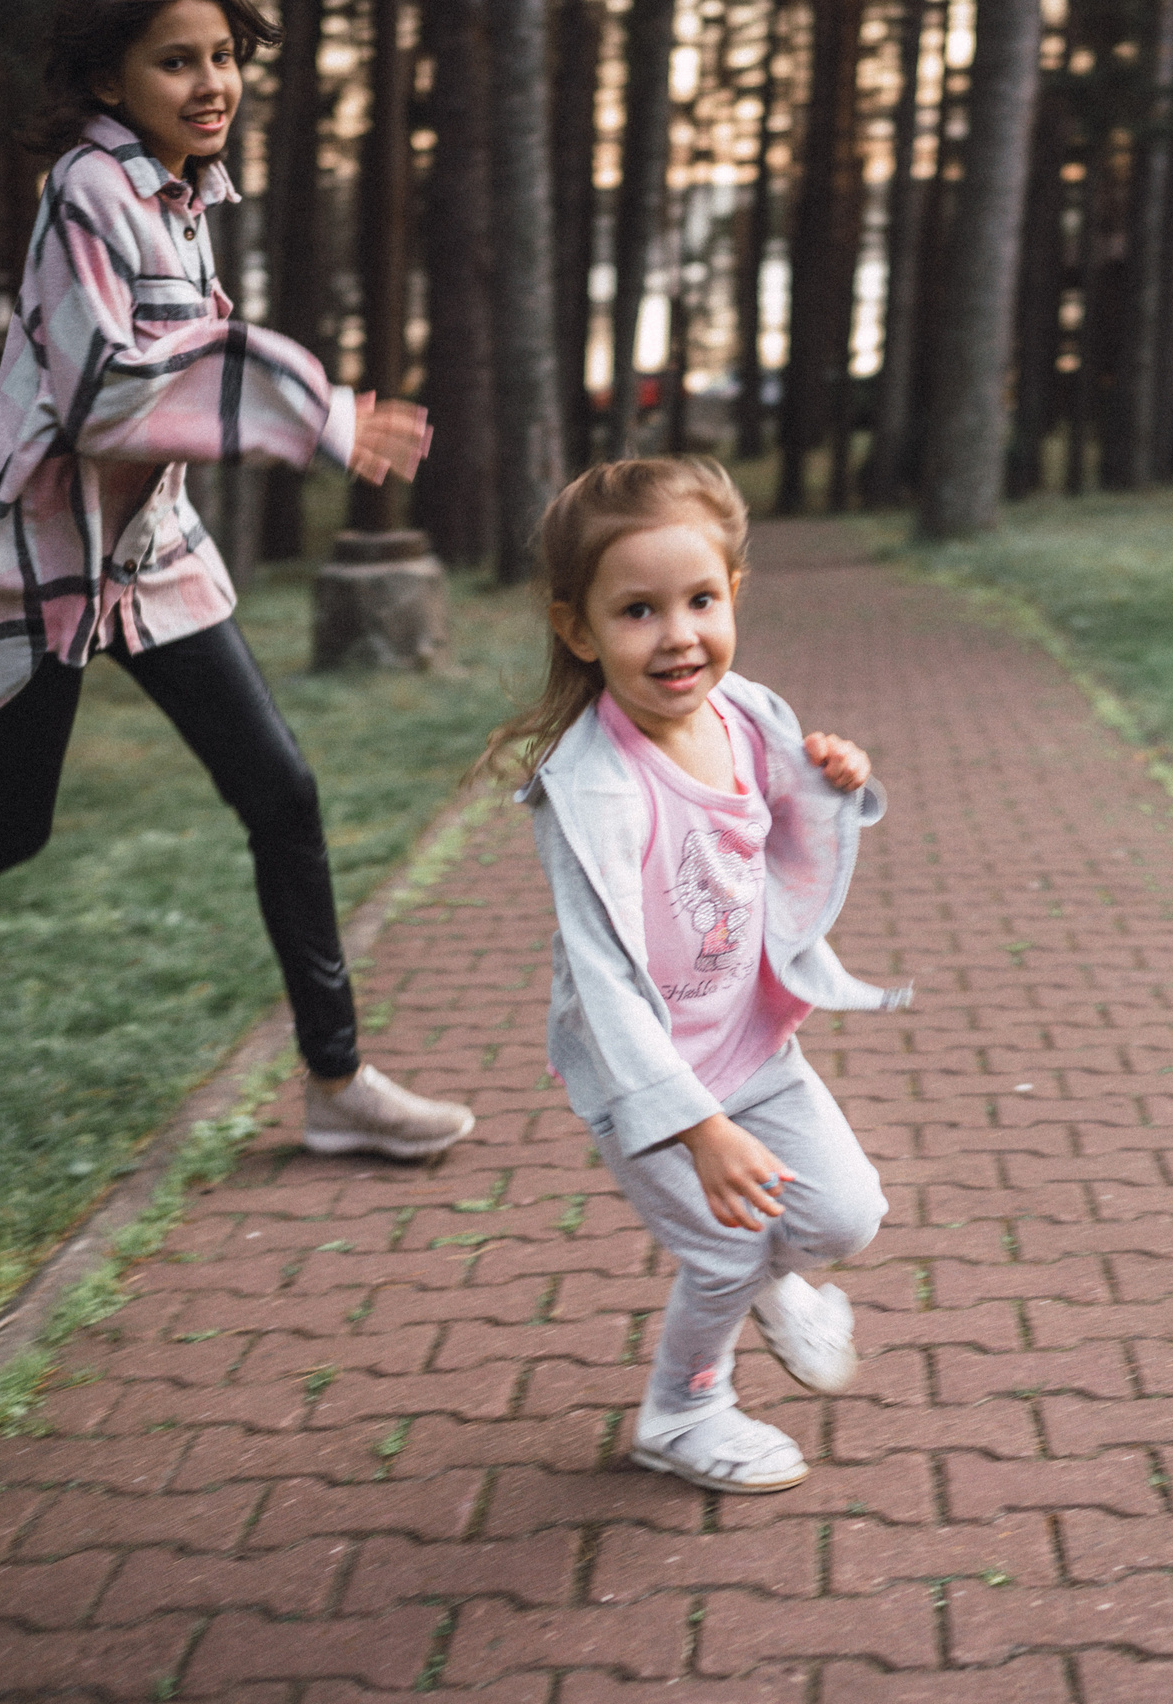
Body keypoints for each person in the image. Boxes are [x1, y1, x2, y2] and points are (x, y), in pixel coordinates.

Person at [0, 0, 475, 1162]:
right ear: (111, 83)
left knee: (283, 793)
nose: (211, 81)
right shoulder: (89, 188)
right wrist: (309, 408)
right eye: (177, 62)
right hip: (41, 562)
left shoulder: (183, 195)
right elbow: (105, 389)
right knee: (3, 822)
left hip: (147, 559)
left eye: (223, 57)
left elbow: (164, 374)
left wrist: (300, 409)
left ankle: (335, 1081)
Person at [486, 458, 908, 1493]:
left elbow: (785, 801)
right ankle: (681, 1413)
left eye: (700, 601)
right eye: (637, 610)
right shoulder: (591, 792)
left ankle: (775, 1287)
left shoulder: (744, 711)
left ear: (732, 597)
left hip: (750, 1040)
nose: (678, 634)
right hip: (650, 1085)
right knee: (725, 1252)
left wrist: (836, 774)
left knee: (846, 1217)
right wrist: (696, 1127)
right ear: (579, 631)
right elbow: (604, 988)